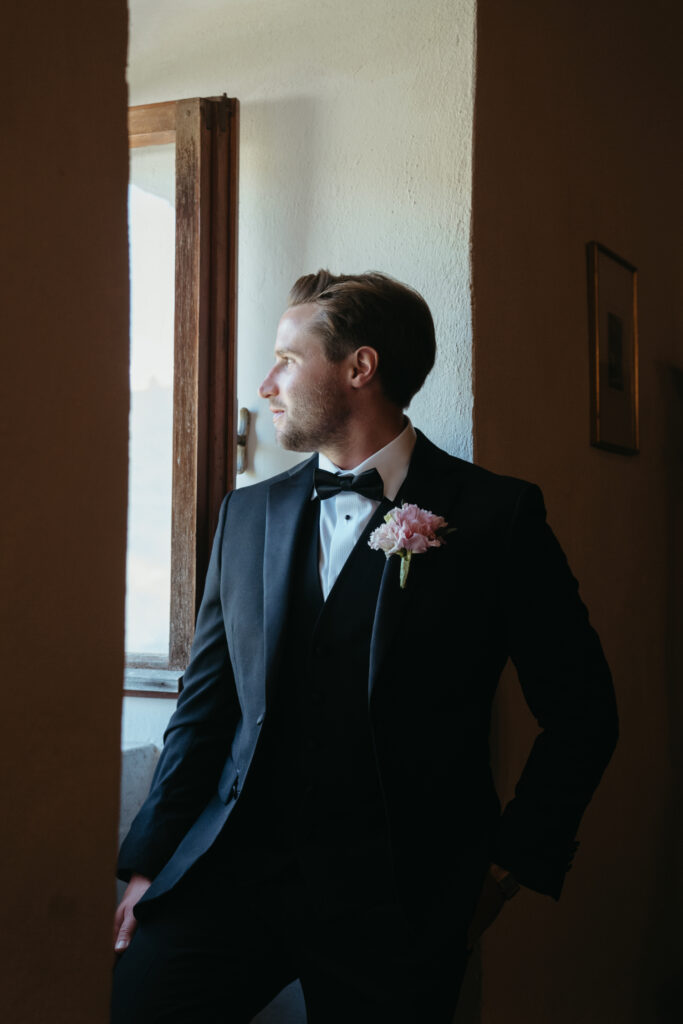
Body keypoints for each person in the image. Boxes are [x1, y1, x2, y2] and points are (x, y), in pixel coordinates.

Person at [112, 271, 618, 1023]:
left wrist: (508, 866)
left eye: (286, 358)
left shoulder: (495, 515)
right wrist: (147, 862)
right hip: (231, 877)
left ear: (359, 368)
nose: (265, 382)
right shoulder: (246, 514)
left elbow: (582, 711)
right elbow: (206, 705)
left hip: (400, 901)